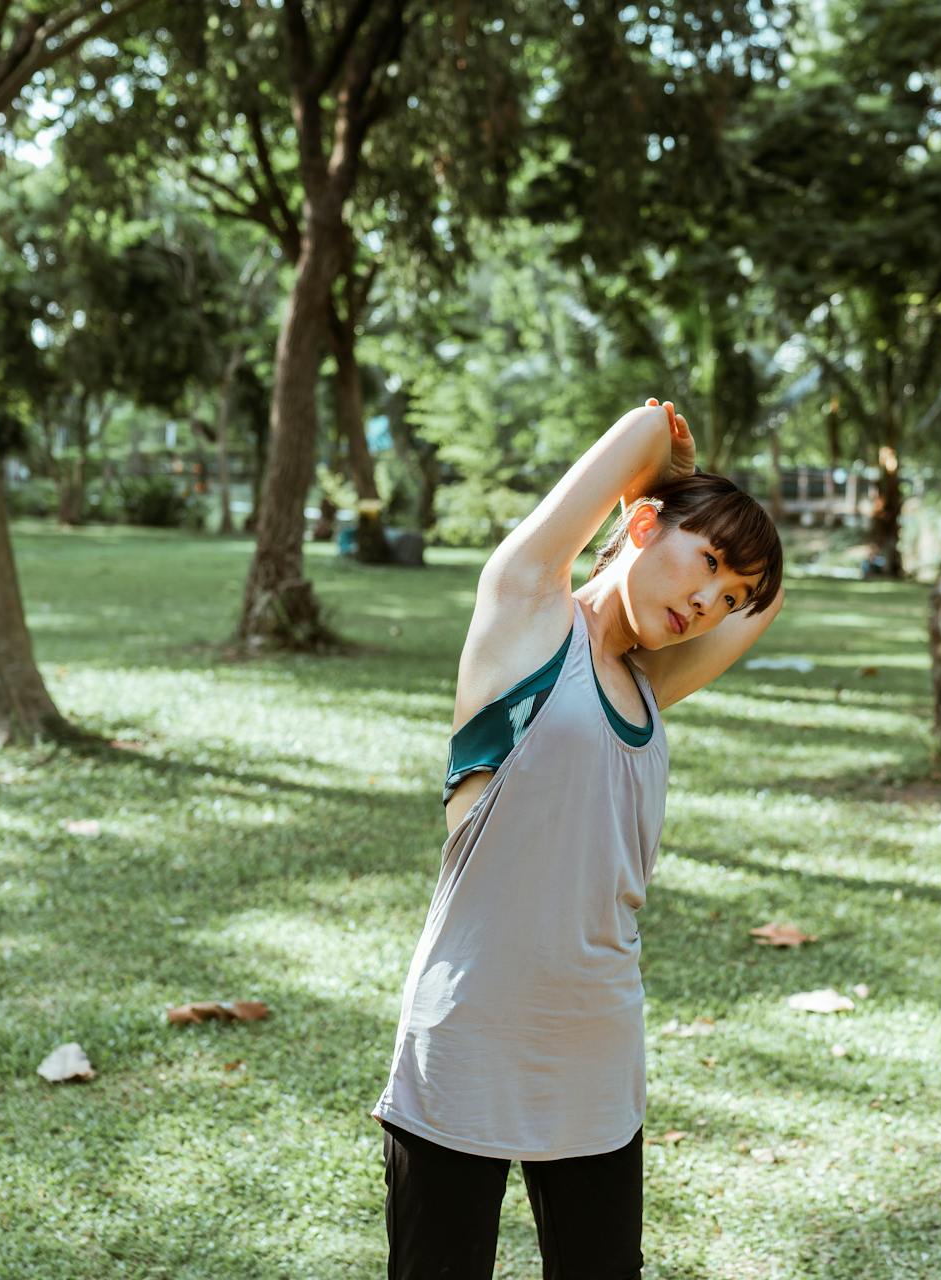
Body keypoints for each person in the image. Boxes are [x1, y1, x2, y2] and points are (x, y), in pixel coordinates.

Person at [370, 398, 787, 1277]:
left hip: (597, 1047)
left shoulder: (648, 686)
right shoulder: (527, 613)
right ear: (638, 522)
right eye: (705, 562)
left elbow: (768, 605)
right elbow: (644, 430)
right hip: (469, 1034)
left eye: (726, 592)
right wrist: (680, 477)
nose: (710, 600)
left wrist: (703, 526)